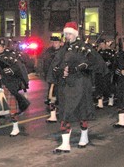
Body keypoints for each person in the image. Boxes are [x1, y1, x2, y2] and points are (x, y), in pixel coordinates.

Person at [47, 22, 97, 153]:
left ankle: (84, 137)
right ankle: (65, 144)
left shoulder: (84, 47)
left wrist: (77, 68)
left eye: (69, 33)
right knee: (64, 112)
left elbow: (92, 63)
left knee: (82, 111)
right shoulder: (63, 49)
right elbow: (55, 66)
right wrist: (60, 72)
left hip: (80, 84)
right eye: (66, 34)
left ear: (75, 34)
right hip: (66, 86)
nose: (67, 36)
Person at [0, 38, 30, 141]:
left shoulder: (11, 57)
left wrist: (6, 73)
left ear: (4, 47)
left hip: (7, 86)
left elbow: (18, 69)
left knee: (12, 110)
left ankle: (16, 128)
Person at [43, 36, 62, 123]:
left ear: (60, 43)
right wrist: (47, 75)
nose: (54, 44)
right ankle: (53, 116)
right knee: (52, 97)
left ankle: (64, 114)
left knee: (62, 96)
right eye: (53, 42)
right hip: (52, 78)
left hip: (62, 78)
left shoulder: (64, 51)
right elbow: (45, 64)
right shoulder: (48, 51)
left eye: (56, 42)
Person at [95, 39, 116, 108]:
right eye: (100, 44)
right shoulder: (98, 52)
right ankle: (100, 103)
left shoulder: (110, 52)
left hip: (107, 71)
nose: (101, 45)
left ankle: (110, 99)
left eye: (102, 44)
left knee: (107, 85)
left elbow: (113, 61)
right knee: (99, 86)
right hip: (99, 71)